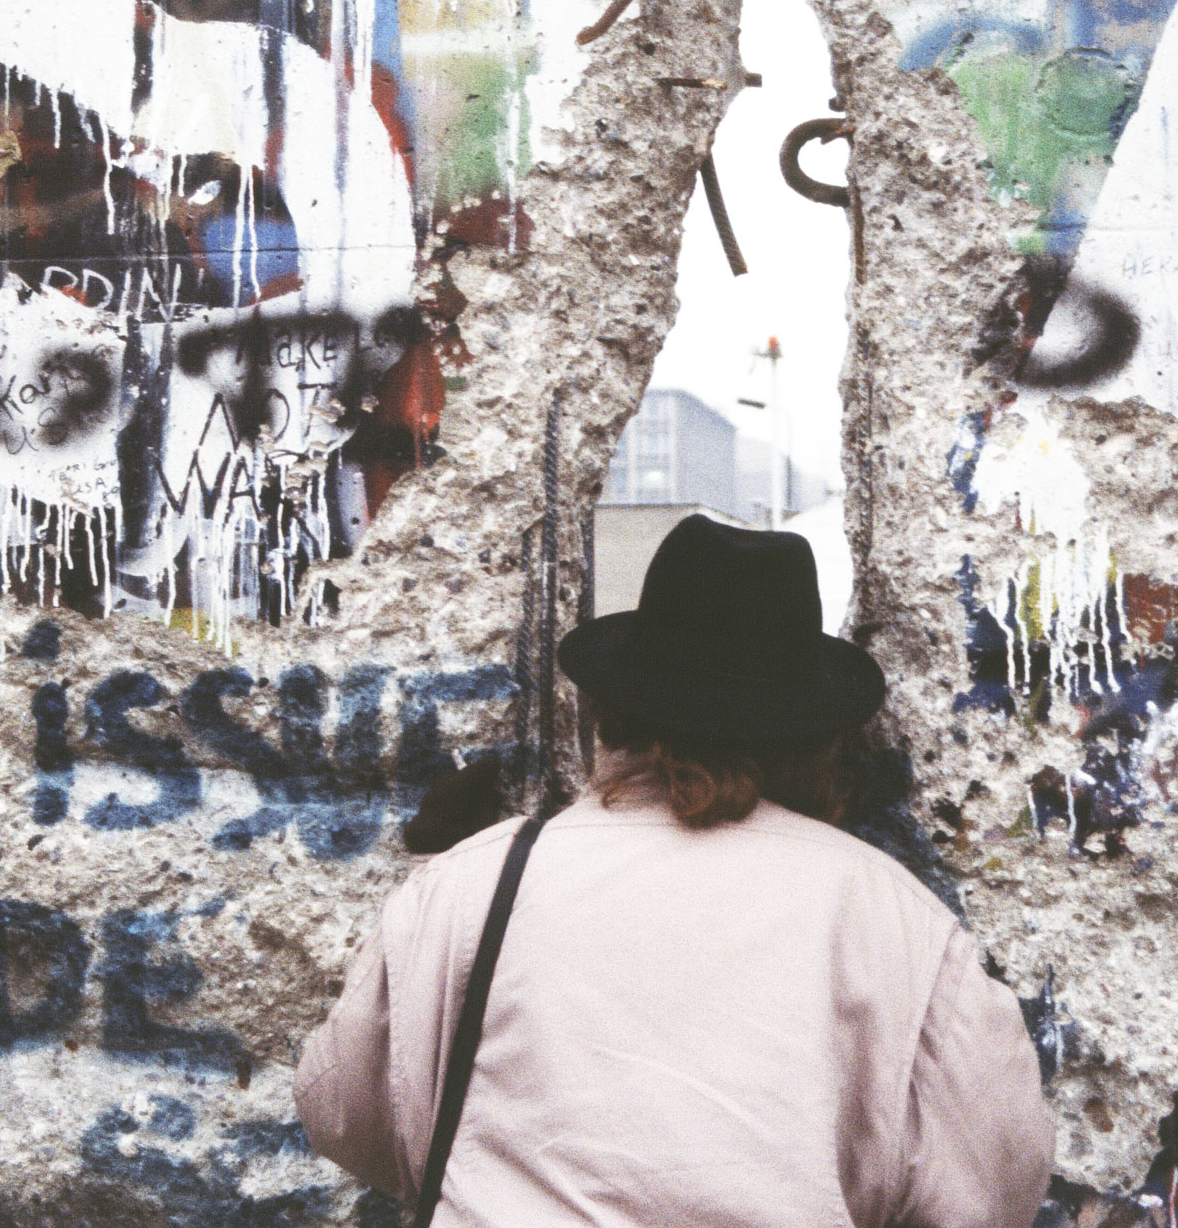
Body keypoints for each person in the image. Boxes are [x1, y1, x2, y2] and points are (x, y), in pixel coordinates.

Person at [296, 514, 1054, 1227]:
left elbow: (339, 1105)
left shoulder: (478, 882)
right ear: (817, 733)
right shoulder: (894, 918)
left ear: (615, 707)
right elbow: (995, 1178)